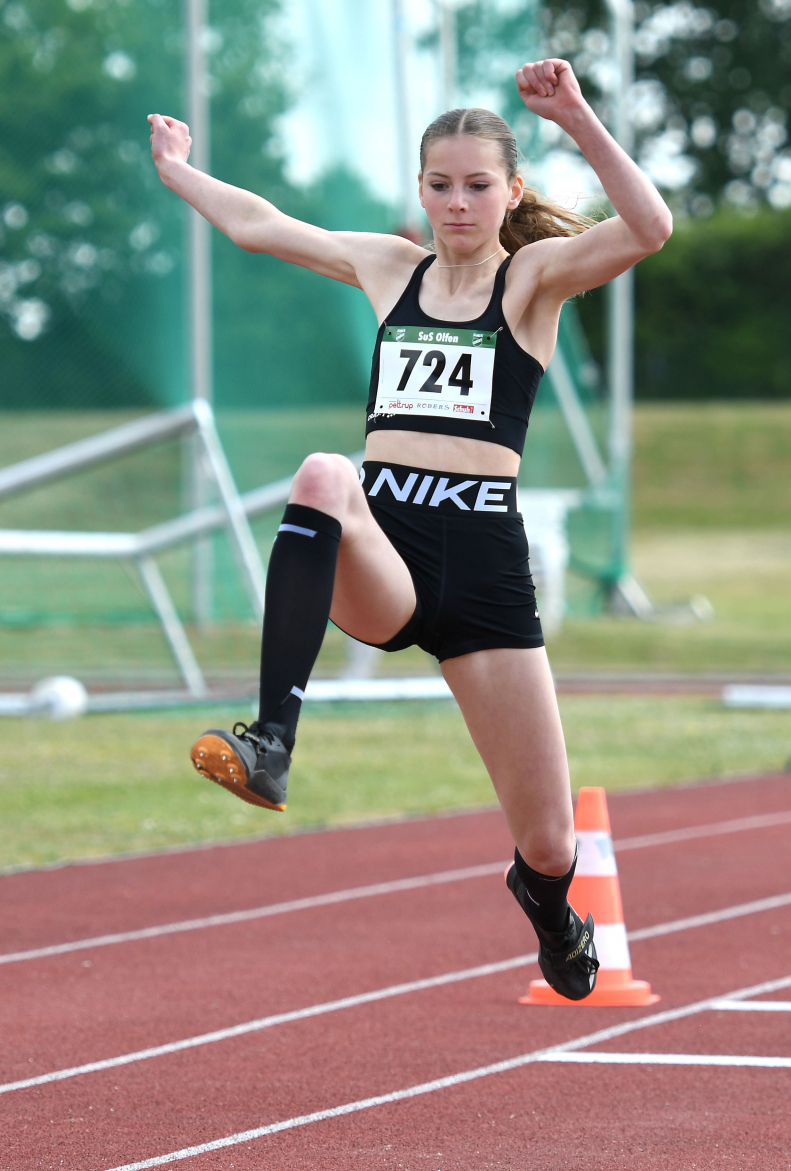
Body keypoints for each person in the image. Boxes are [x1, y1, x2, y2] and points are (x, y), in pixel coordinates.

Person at [149, 58, 671, 1002]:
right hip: (384, 547)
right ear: (419, 190)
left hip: (483, 570)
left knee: (550, 838)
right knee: (321, 474)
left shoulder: (532, 281)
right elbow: (260, 225)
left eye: (477, 185)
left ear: (510, 191)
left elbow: (649, 228)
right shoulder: (391, 268)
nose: (457, 203)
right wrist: (181, 169)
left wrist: (579, 119)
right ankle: (271, 740)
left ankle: (548, 908)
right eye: (439, 185)